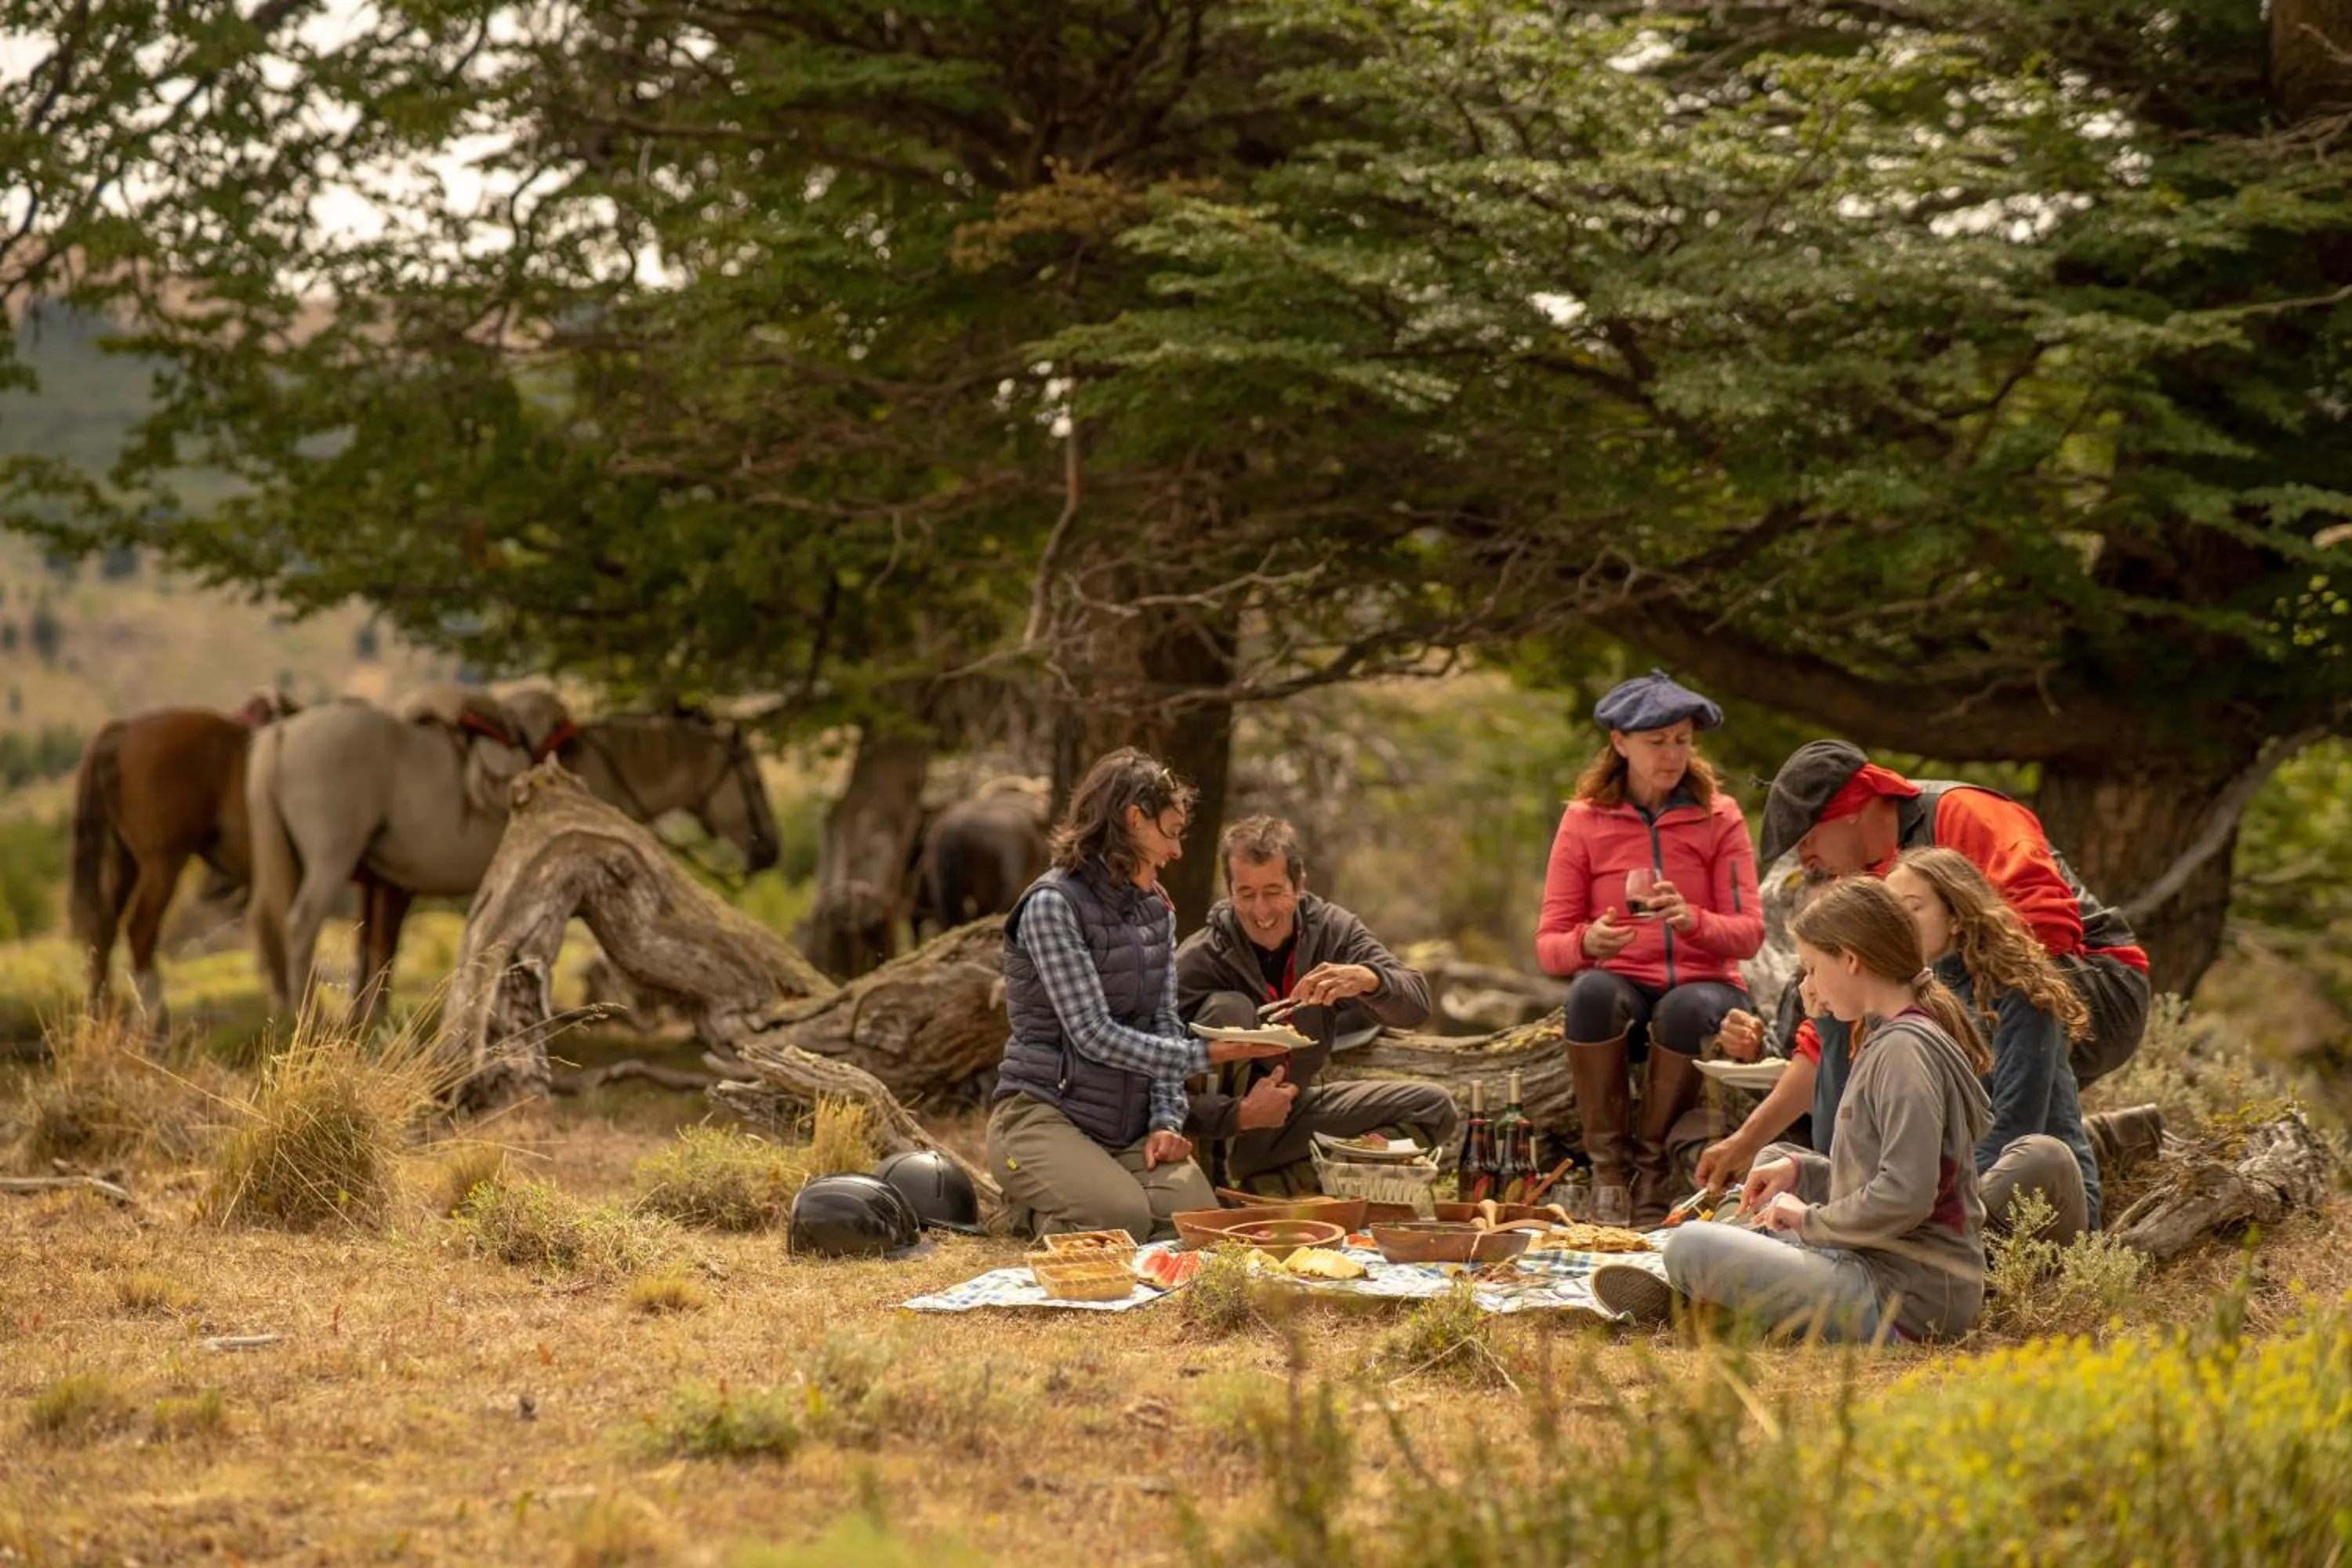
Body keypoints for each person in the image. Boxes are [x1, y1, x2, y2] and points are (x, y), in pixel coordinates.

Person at [1594, 877, 1994, 1343]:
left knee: (1689, 1247)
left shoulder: (1904, 1051)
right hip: (1881, 1272)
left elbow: (1907, 1194)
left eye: (1812, 968)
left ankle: (1708, 1305)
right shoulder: (1893, 1037)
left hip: (1905, 1302)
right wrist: (1800, 1173)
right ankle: (1718, 1303)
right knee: (1774, 1164)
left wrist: (1808, 1220)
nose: (1810, 985)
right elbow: (1874, 1170)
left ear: (1849, 959)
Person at [985, 749, 1283, 1240]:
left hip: (1122, 1130)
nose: (1177, 852)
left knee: (1200, 1227)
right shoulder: (1051, 905)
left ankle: (1092, 1195)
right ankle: (1024, 1212)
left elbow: (1162, 1021)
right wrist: (1207, 1054)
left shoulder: (1157, 909)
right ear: (1132, 819)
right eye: (1169, 832)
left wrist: (1167, 1120)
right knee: (1121, 1219)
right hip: (1041, 1114)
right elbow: (1092, 1035)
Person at [1756, 739, 2150, 1085]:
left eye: (1808, 840)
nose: (1807, 862)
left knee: (1933, 987)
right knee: (1817, 980)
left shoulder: (1964, 811)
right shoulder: (1863, 873)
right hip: (2009, 992)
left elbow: (2049, 928)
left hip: (2100, 984)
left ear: (1850, 809)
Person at [1536, 670, 1763, 1226]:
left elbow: (1749, 933)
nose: (1672, 755)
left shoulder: (1720, 815)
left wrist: (1693, 922)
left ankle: (1654, 1174)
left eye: (1682, 741)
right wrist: (1589, 942)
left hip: (1704, 985)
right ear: (1620, 743)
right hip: (1625, 980)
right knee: (1589, 990)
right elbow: (1550, 947)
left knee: (1684, 1008)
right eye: (1656, 742)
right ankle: (1610, 1176)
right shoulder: (1584, 820)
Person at [1175, 815, 1457, 1193]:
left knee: (1433, 1109)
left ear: (1299, 884)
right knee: (1231, 1010)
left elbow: (1417, 1005)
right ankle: (1215, 1190)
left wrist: (1369, 979)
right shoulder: (1201, 957)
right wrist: (1236, 1114)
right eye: (1246, 894)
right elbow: (1145, 1076)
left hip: (1295, 1114)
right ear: (1229, 892)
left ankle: (1270, 1192)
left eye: (1274, 891)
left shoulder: (1333, 931)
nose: (1261, 911)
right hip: (1218, 1131)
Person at [1886, 848, 2102, 1240]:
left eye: (1913, 908)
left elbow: (2014, 1129)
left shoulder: (2019, 996)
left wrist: (1931, 1205)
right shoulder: (1909, 999)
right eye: (1892, 913)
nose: (1901, 924)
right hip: (1953, 1195)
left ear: (1954, 915)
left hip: (2034, 1195)